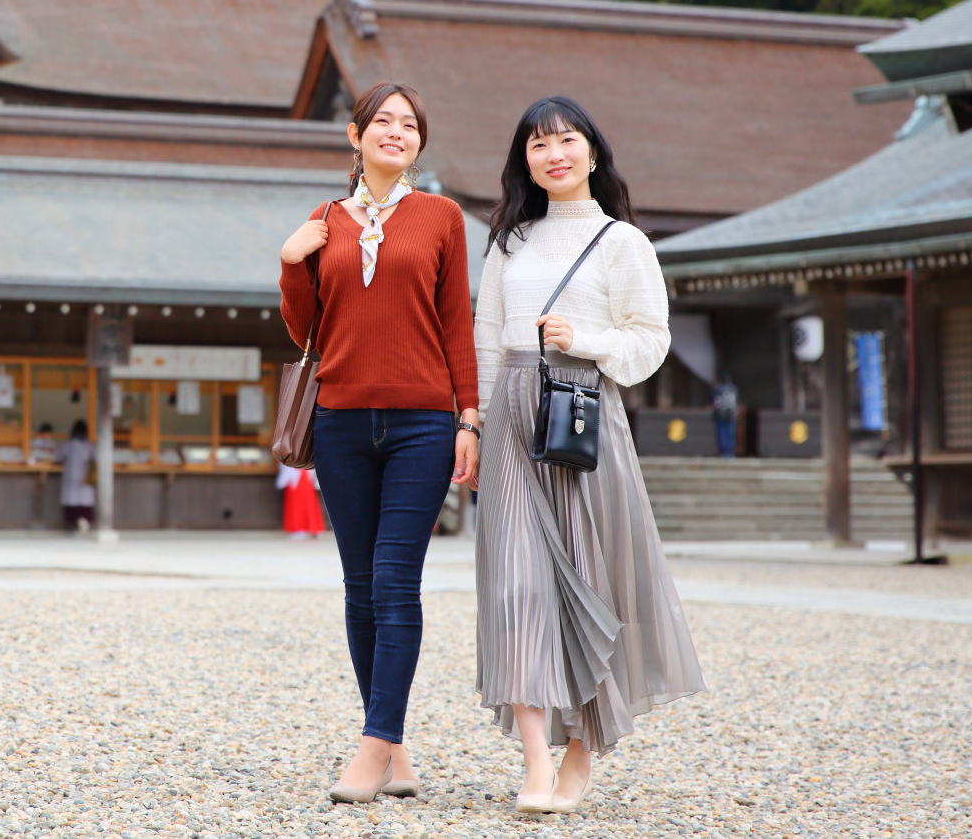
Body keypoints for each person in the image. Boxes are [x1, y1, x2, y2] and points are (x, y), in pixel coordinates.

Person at [472, 95, 705, 815]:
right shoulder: (509, 239)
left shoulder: (622, 243)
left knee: (595, 584)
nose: (554, 154)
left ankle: (581, 751)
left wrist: (586, 342)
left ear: (593, 153)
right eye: (538, 145)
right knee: (515, 589)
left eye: (566, 140)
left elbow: (649, 342)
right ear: (525, 161)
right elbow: (484, 338)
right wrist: (474, 425)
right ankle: (536, 762)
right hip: (511, 417)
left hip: (582, 416)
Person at [278, 81, 479, 804]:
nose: (396, 132)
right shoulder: (324, 219)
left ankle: (370, 747)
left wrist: (470, 417)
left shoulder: (442, 217)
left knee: (396, 581)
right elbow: (305, 333)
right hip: (339, 421)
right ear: (354, 137)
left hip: (423, 422)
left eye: (409, 124)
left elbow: (456, 320)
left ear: (418, 143)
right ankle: (391, 745)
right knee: (359, 586)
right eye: (382, 122)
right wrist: (291, 260)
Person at [56, 419, 95, 532]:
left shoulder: (67, 445)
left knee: (72, 499)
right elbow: (96, 458)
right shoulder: (89, 445)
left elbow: (57, 457)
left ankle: (74, 524)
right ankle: (83, 522)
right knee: (84, 499)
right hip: (85, 475)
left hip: (72, 475)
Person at [275, 461, 325, 539]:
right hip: (294, 481)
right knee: (295, 507)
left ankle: (314, 528)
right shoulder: (289, 452)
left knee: (310, 507)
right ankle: (298, 529)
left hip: (306, 480)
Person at [712, 374, 739, 458]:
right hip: (731, 414)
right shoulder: (734, 388)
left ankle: (723, 452)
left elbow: (716, 402)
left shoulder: (717, 389)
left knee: (722, 433)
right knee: (730, 433)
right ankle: (730, 452)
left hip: (721, 414)